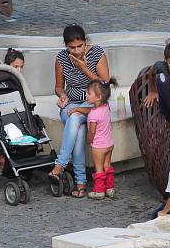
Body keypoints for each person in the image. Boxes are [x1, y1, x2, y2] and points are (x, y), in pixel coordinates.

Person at [50, 24, 110, 198]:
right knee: (78, 125)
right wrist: (62, 96)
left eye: (80, 46)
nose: (76, 51)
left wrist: (84, 68)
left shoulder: (97, 54)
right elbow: (59, 86)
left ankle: (63, 167)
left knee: (76, 119)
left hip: (95, 105)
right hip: (71, 104)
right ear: (66, 46)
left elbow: (105, 86)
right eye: (71, 47)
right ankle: (80, 182)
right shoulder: (61, 58)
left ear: (86, 42)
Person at [85, 78, 119, 200]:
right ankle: (110, 188)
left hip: (99, 146)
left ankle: (99, 190)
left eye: (89, 94)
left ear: (98, 97)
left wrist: (89, 140)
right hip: (109, 144)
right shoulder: (106, 107)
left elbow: (92, 131)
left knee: (98, 168)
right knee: (107, 165)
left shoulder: (93, 114)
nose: (86, 96)